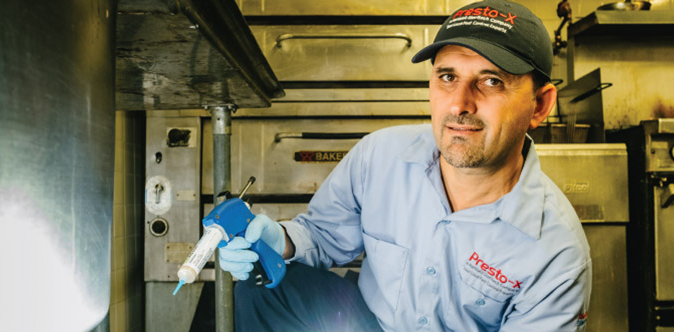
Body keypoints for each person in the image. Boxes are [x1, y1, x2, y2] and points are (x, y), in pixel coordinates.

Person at [218, 0, 592, 330]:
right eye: (447, 77)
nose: (459, 104)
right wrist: (278, 242)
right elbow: (322, 236)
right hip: (367, 323)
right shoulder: (381, 155)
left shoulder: (556, 254)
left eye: (491, 81)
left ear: (540, 106)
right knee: (265, 290)